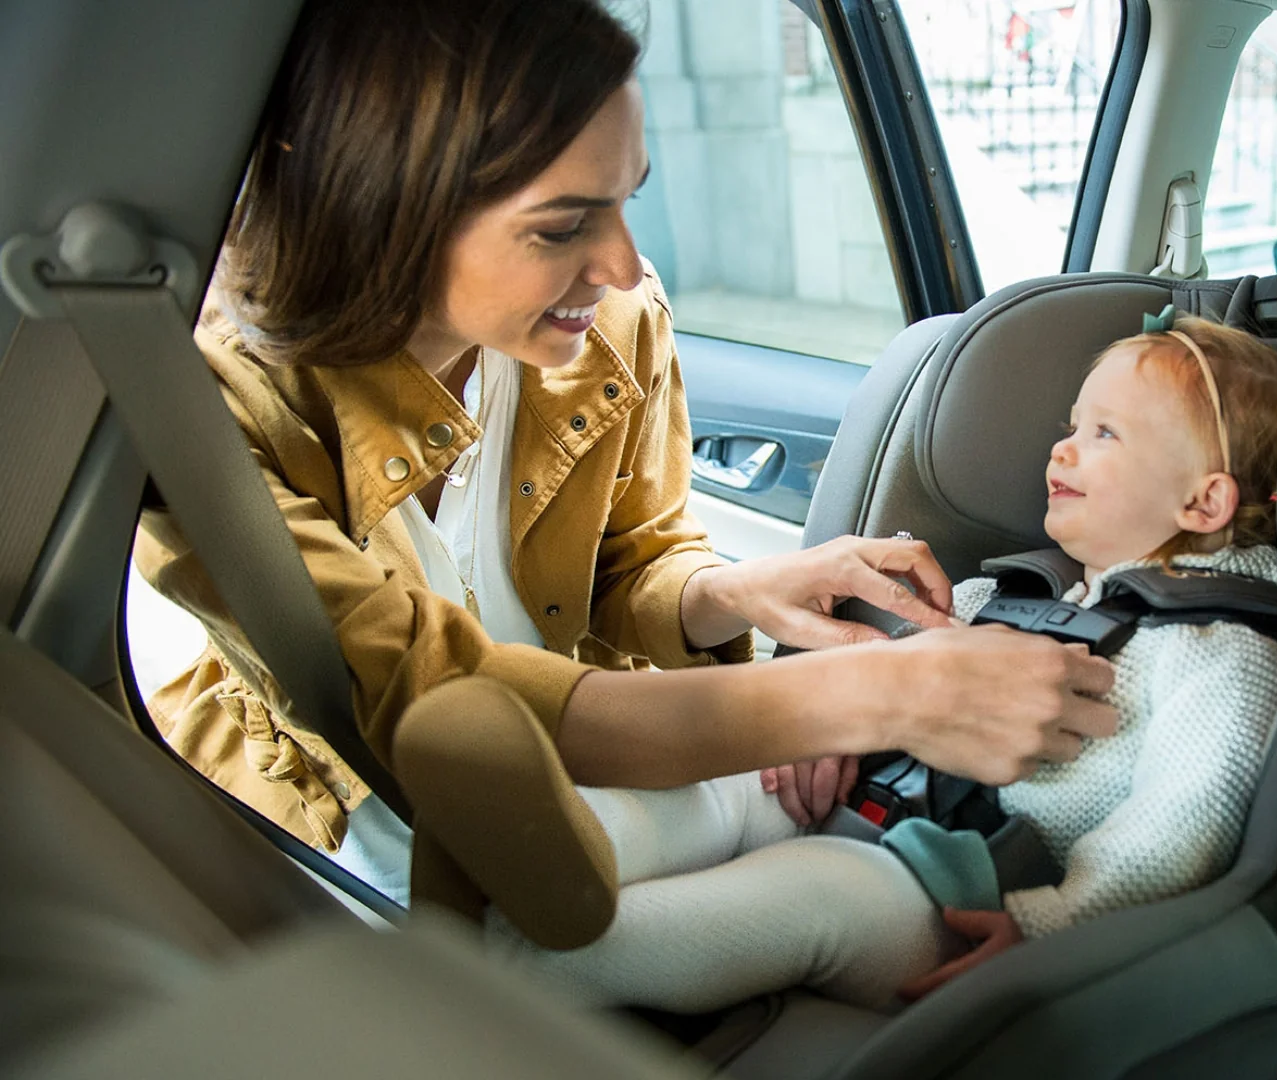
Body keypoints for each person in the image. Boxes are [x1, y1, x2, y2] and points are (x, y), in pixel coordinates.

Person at [134, 0, 1115, 912]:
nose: (623, 267)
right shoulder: (205, 409)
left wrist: (734, 592)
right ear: (374, 206)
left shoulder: (616, 329)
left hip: (594, 774)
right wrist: (888, 694)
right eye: (563, 225)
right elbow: (424, 699)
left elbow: (634, 556)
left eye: (624, 201)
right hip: (354, 819)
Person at [488, 312, 1277, 1012]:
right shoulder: (1005, 594)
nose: (1061, 452)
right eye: (1070, 426)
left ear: (1204, 501)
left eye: (1103, 434)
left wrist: (1056, 927)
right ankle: (539, 862)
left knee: (805, 896)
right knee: (727, 785)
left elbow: (1186, 822)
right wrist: (830, 720)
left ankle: (537, 970)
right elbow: (890, 686)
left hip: (955, 890)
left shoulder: (1219, 650)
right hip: (861, 799)